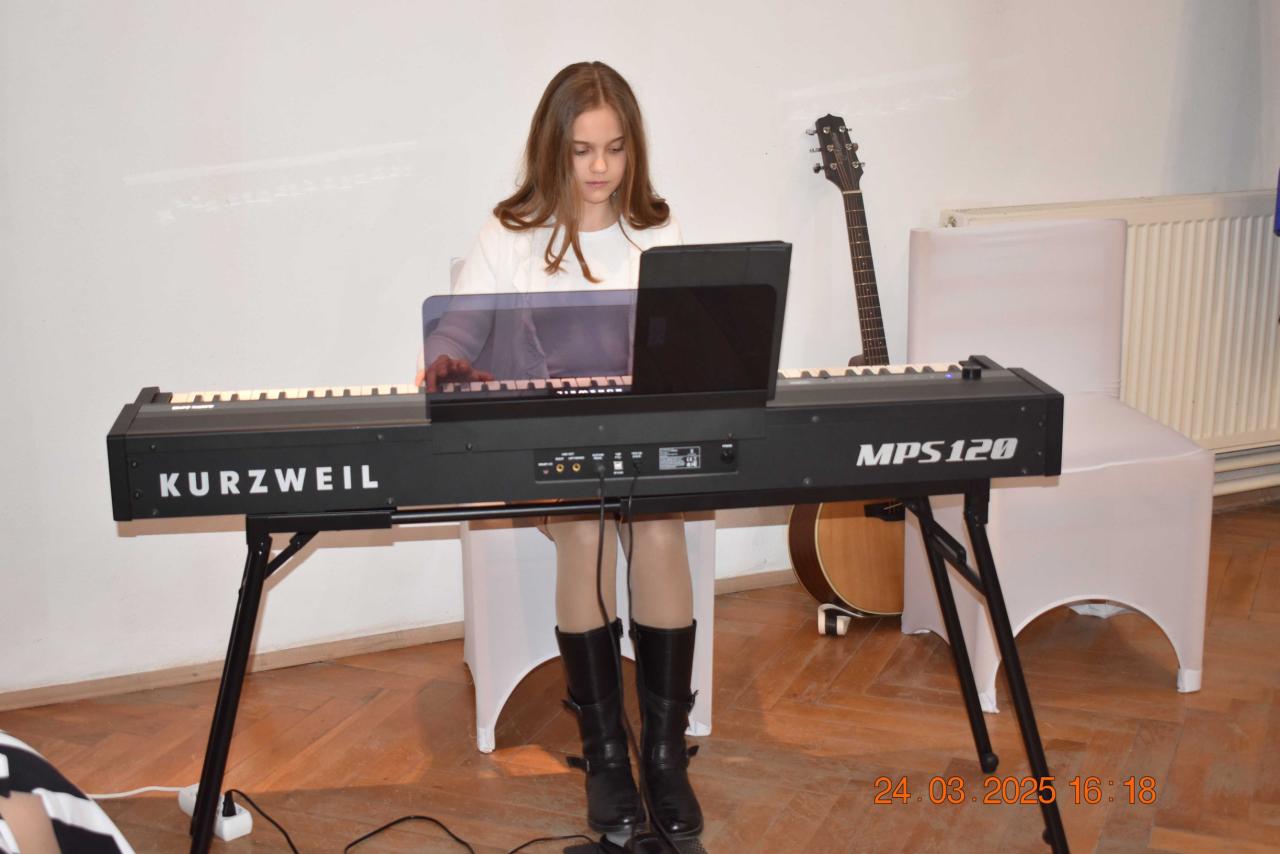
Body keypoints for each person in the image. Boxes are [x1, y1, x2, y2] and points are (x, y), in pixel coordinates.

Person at [415, 61, 702, 840]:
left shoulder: (658, 231)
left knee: (659, 524)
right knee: (584, 525)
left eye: (614, 148)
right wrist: (444, 359)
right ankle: (606, 755)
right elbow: (459, 329)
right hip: (550, 450)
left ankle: (665, 755)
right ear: (554, 150)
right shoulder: (511, 234)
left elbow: (686, 344)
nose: (600, 168)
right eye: (582, 151)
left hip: (640, 445)